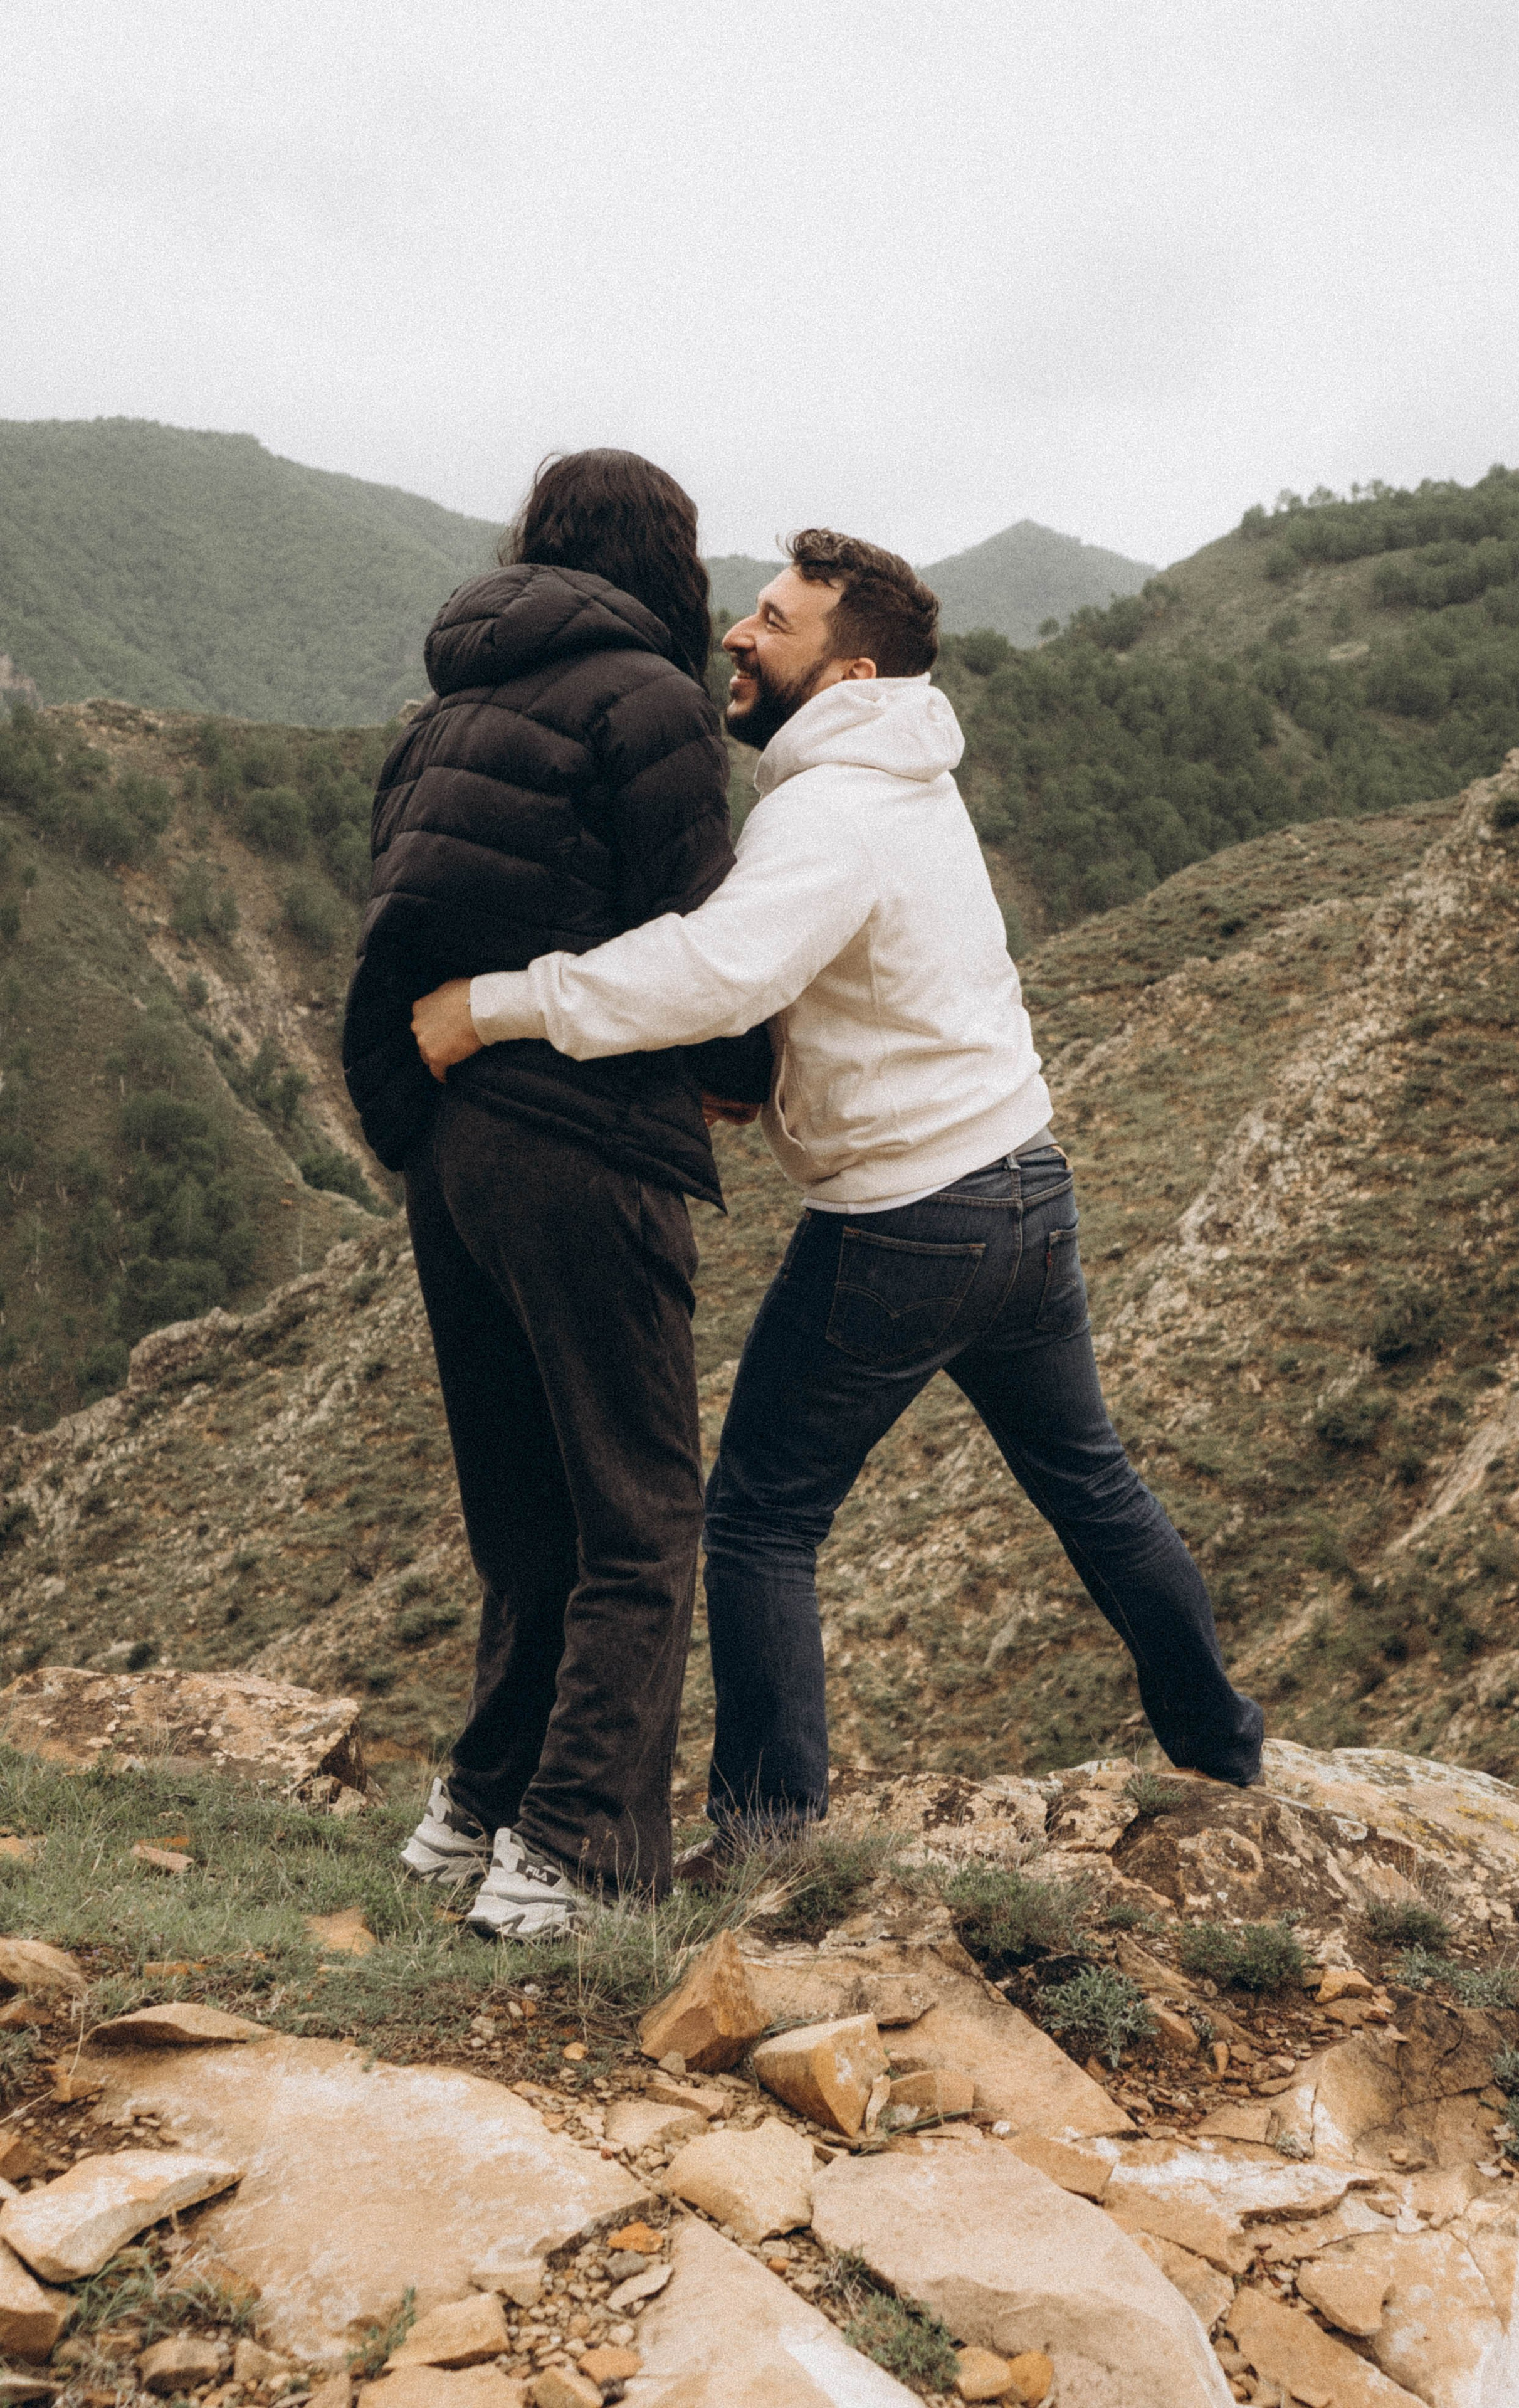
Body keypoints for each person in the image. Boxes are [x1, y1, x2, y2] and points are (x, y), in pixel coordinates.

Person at [410, 527, 1263, 1882]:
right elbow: (853, 975)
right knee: (1089, 1484)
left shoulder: (825, 809)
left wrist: (498, 1005)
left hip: (905, 1219)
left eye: (773, 621)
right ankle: (1221, 1748)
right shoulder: (905, 778)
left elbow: (714, 976)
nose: (740, 637)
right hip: (1024, 1189)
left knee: (754, 1516)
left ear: (848, 666)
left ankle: (759, 1845)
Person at [342, 448, 769, 1937]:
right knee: (641, 1511)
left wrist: (412, 1125)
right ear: (666, 557)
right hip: (585, 1139)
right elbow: (697, 928)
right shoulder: (647, 701)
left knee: (523, 1505)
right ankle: (578, 1854)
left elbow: (391, 937)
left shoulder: (448, 709)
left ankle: (474, 1814)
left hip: (453, 1147)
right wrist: (741, 1072)